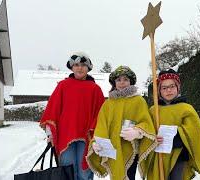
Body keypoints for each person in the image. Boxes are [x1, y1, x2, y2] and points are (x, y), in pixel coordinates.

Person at [39, 52, 105, 180]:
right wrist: (50, 133)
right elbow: (52, 110)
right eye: (76, 65)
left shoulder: (95, 89)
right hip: (65, 136)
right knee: (67, 171)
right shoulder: (63, 86)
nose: (79, 68)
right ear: (71, 67)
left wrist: (98, 136)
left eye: (83, 65)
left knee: (84, 171)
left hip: (87, 137)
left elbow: (101, 114)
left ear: (88, 68)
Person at [86, 66, 157, 180]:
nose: (122, 83)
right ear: (114, 83)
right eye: (118, 80)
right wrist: (96, 141)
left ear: (131, 82)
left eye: (125, 79)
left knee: (129, 176)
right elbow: (101, 126)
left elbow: (146, 122)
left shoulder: (139, 101)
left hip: (131, 148)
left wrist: (137, 132)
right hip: (112, 149)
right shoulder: (108, 103)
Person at [147, 69, 200, 180]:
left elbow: (194, 133)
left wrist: (176, 136)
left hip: (179, 155)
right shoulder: (153, 110)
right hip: (159, 156)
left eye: (172, 86)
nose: (169, 90)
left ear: (178, 88)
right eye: (164, 88)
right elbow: (147, 129)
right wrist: (152, 137)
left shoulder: (186, 109)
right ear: (159, 91)